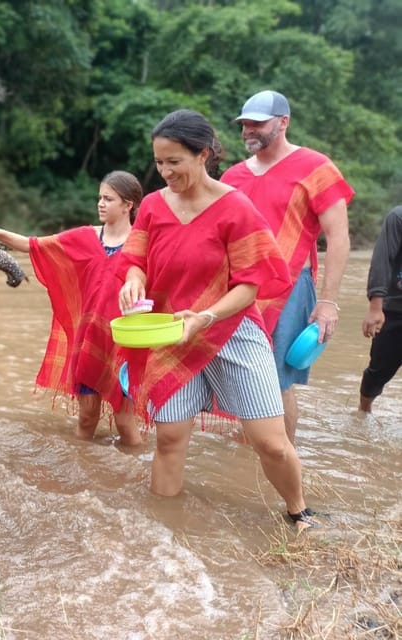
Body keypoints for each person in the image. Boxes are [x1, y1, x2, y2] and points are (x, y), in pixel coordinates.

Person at [117, 109, 316, 528]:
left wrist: (207, 315)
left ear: (203, 154)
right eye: (158, 162)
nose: (165, 171)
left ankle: (299, 513)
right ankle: (164, 530)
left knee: (271, 443)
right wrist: (133, 280)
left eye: (175, 162)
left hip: (230, 330)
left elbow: (251, 285)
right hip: (172, 331)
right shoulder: (153, 206)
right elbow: (135, 259)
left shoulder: (234, 208)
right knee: (169, 439)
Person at [0, 171, 143, 446]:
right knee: (87, 418)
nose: (100, 203)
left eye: (108, 199)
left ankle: (137, 481)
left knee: (125, 424)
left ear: (128, 205)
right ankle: (80, 471)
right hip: (89, 341)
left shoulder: (140, 245)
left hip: (125, 344)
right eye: (99, 198)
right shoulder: (85, 237)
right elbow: (35, 245)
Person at [221, 90, 355, 443]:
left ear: (283, 122)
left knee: (275, 379)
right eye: (245, 124)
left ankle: (281, 459)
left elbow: (338, 239)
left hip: (290, 286)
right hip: (237, 288)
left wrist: (327, 303)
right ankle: (246, 455)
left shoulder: (316, 168)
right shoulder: (232, 177)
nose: (249, 130)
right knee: (242, 373)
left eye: (258, 123)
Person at [359, 205, 402, 412]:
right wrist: (376, 307)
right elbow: (382, 260)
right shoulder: (398, 217)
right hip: (395, 309)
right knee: (378, 371)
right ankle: (364, 410)